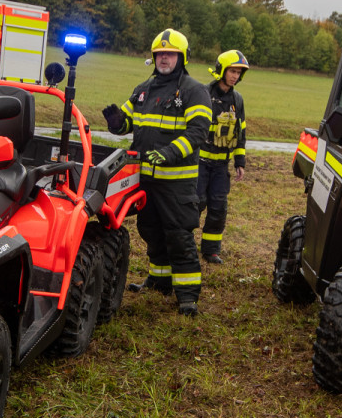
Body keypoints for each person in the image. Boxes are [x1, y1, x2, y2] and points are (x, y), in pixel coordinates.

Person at [102, 29, 212, 316]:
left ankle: (187, 295)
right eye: (160, 54)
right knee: (150, 230)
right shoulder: (143, 90)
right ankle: (159, 280)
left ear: (182, 57)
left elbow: (198, 133)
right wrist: (116, 121)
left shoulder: (194, 91)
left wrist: (168, 153)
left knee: (179, 236)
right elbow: (128, 123)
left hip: (176, 184)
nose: (164, 58)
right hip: (146, 181)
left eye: (170, 54)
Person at [197, 50, 250, 264]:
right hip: (199, 163)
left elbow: (241, 132)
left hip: (221, 166)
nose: (235, 76)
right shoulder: (203, 93)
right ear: (222, 70)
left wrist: (240, 162)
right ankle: (184, 245)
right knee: (196, 203)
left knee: (218, 207)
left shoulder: (238, 100)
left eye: (238, 72)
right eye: (232, 71)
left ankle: (210, 250)